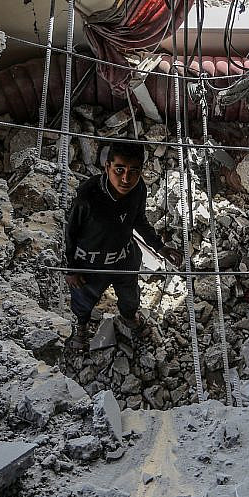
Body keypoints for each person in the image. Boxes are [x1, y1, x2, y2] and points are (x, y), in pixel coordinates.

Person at [64, 141, 182, 349]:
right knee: (83, 299)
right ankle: (81, 326)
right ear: (107, 166)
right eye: (119, 169)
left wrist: (159, 246)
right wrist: (71, 268)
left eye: (133, 171)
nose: (126, 178)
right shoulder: (87, 196)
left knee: (130, 297)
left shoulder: (138, 190)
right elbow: (70, 233)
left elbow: (139, 220)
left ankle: (129, 317)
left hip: (124, 258)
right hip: (91, 264)